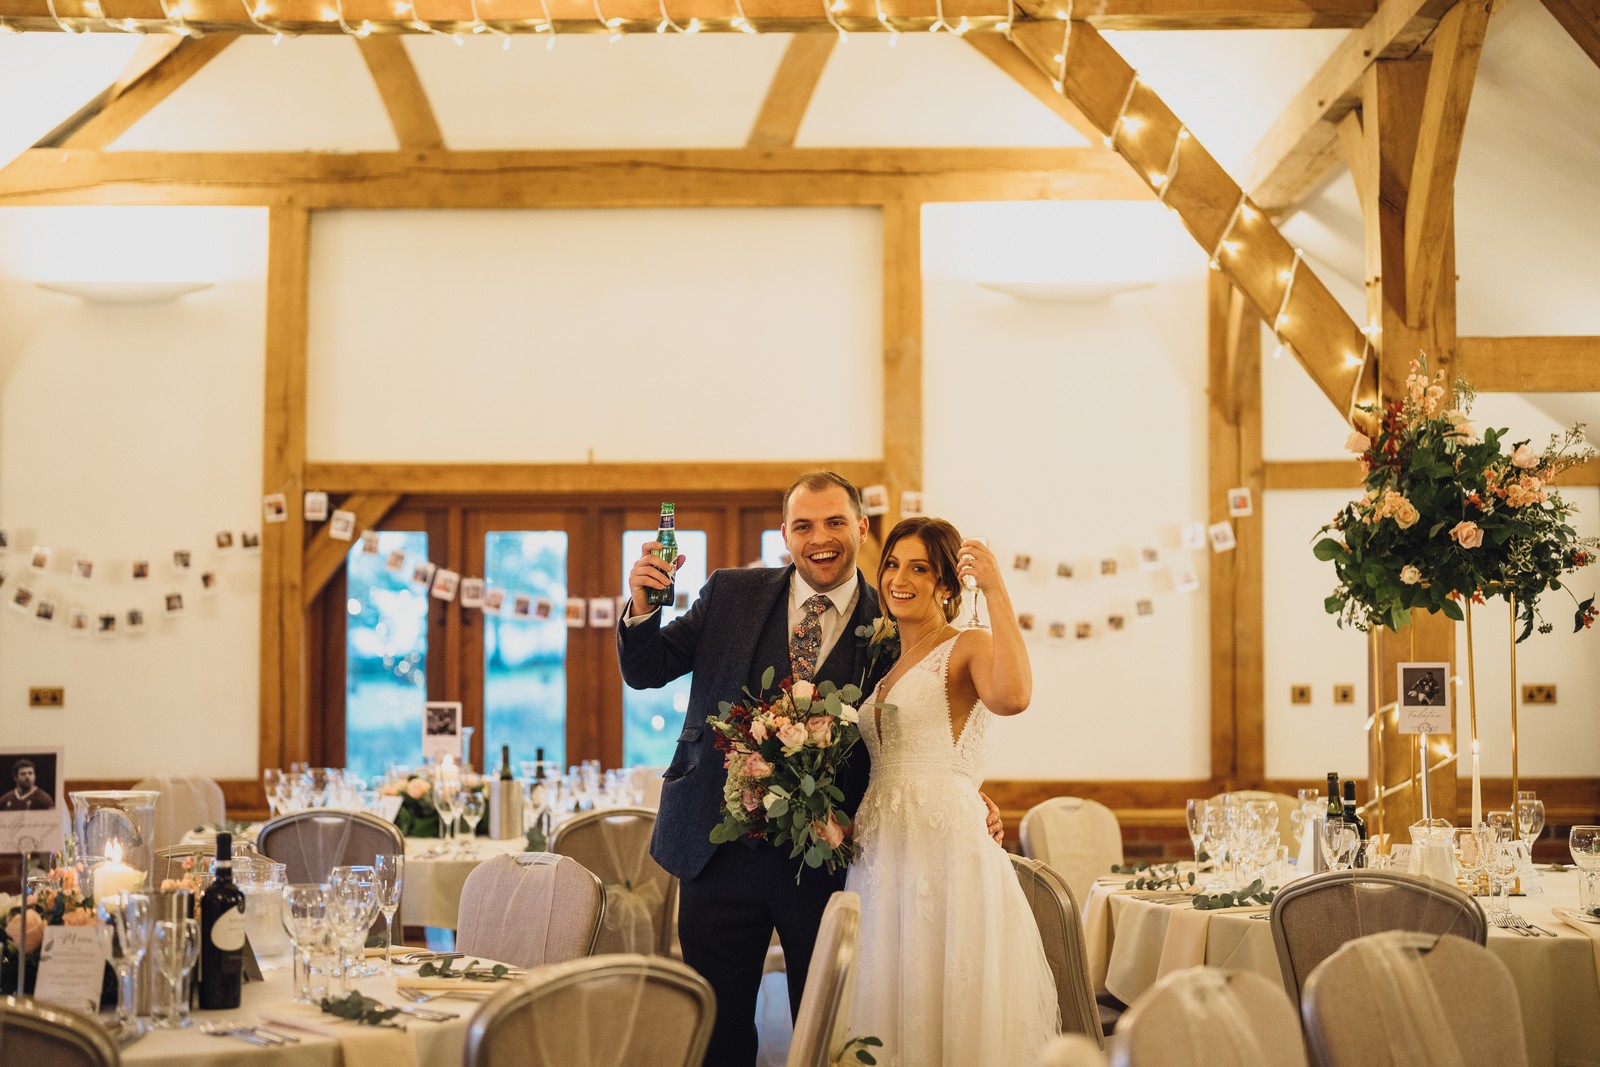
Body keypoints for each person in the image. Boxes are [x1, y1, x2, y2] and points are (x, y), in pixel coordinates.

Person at [617, 472, 1000, 1067]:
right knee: (716, 1037)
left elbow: (927, 724)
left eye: (834, 523)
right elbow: (648, 670)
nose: (819, 538)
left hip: (833, 864)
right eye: (804, 526)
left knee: (831, 1032)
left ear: (862, 528)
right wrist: (642, 606)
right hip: (715, 851)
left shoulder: (898, 621)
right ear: (784, 535)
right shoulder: (731, 593)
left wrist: (969, 791)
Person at [846, 517, 1059, 1066]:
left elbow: (1013, 696)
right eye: (892, 564)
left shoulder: (967, 644)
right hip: (883, 849)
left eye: (919, 567)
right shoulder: (885, 662)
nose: (899, 578)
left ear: (947, 585)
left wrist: (995, 587)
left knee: (946, 996)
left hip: (943, 851)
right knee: (891, 994)